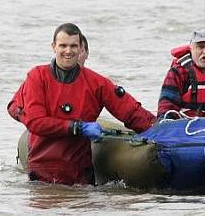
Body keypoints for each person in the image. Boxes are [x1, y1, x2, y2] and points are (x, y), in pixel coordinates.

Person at [10, 23, 156, 185]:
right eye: (63, 45)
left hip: (78, 174)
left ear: (81, 49)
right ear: (53, 47)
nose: (68, 51)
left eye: (73, 46)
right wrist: (78, 127)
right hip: (42, 174)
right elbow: (36, 122)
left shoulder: (96, 83)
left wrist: (160, 127)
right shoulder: (37, 77)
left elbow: (130, 111)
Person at [8, 34, 90, 123]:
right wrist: (31, 120)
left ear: (86, 54)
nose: (70, 52)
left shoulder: (94, 83)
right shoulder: (40, 78)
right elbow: (13, 106)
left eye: (78, 49)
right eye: (64, 47)